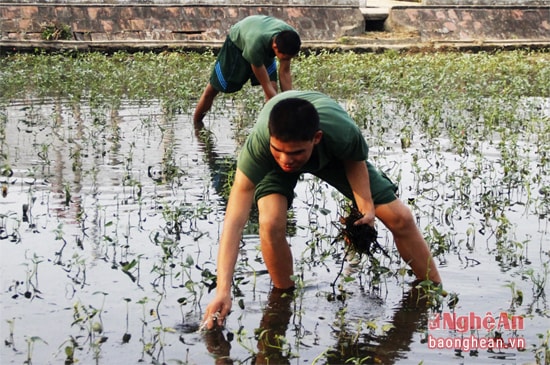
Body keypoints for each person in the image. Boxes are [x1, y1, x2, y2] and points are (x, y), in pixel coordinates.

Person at [202, 90, 442, 330]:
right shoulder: (261, 147)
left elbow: (354, 160)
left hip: (333, 156)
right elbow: (234, 221)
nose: (286, 159)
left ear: (316, 138)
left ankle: (435, 292)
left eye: (295, 152)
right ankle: (283, 300)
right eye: (279, 150)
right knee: (270, 224)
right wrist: (223, 289)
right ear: (270, 139)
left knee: (400, 218)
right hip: (273, 164)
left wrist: (366, 209)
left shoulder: (342, 132)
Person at [193, 15, 301, 128]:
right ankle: (196, 124)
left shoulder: (290, 39)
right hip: (237, 44)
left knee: (274, 87)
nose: (285, 60)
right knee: (213, 89)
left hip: (260, 35)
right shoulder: (255, 45)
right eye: (283, 58)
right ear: (275, 47)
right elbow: (266, 85)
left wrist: (289, 103)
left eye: (288, 58)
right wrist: (280, 107)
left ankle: (268, 129)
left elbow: (284, 72)